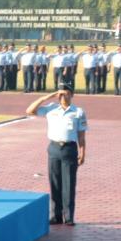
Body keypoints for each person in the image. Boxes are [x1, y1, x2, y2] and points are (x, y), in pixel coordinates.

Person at [27, 83, 87, 226]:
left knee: (69, 184)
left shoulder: (78, 112)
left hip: (69, 149)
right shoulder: (51, 109)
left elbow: (81, 136)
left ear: (72, 95)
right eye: (60, 93)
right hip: (54, 148)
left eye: (66, 93)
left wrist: (82, 153)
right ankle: (56, 215)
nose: (62, 96)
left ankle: (69, 216)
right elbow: (30, 110)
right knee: (55, 184)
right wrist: (48, 96)